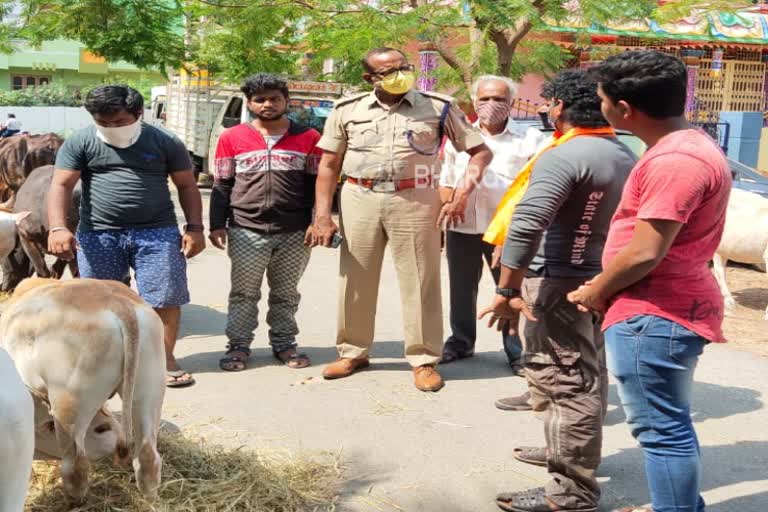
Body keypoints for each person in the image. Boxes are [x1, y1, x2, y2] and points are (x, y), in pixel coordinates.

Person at [568, 50, 731, 512]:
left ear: (623, 109)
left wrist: (596, 289)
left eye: (601, 98)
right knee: (670, 424)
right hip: (664, 306)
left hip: (655, 312)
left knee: (662, 432)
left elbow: (645, 251)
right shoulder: (684, 147)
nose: (598, 105)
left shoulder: (676, 161)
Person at [479, 70, 636, 512]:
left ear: (562, 108)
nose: (547, 110)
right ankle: (565, 454)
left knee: (565, 380)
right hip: (596, 277)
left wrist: (508, 288)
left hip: (557, 282)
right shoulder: (620, 151)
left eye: (549, 103)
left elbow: (529, 222)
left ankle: (571, 491)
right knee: (584, 373)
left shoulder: (566, 155)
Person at [311, 47, 492, 392]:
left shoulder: (437, 107)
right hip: (358, 196)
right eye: (388, 71)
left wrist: (462, 193)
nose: (399, 74)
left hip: (416, 197)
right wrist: (323, 216)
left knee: (421, 278)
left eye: (403, 67)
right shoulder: (347, 110)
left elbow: (480, 152)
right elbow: (329, 166)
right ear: (369, 79)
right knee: (356, 277)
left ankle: (424, 359)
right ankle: (353, 351)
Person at [48, 84, 205, 388]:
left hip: (157, 233)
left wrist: (196, 228)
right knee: (96, 301)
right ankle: (101, 362)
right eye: (103, 123)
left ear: (138, 114)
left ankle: (163, 358)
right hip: (99, 233)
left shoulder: (164, 140)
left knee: (164, 297)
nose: (111, 129)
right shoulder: (81, 141)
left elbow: (187, 185)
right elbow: (61, 186)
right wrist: (58, 227)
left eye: (119, 122)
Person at [209, 73, 321, 372]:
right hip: (246, 229)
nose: (268, 104)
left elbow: (317, 185)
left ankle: (284, 343)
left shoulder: (309, 138)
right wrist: (216, 224)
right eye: (260, 99)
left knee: (286, 293)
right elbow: (222, 183)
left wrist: (316, 221)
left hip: (295, 231)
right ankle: (238, 346)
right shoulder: (231, 138)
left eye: (274, 98)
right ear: (249, 103)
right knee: (244, 292)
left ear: (287, 101)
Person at [439, 75, 546, 373]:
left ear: (511, 103)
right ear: (474, 102)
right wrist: (447, 209)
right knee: (461, 288)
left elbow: (535, 188)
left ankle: (515, 350)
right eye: (484, 98)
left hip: (507, 232)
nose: (491, 104)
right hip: (463, 228)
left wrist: (515, 230)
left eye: (499, 99)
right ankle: (461, 342)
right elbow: (446, 179)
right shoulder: (458, 139)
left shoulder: (531, 140)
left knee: (511, 290)